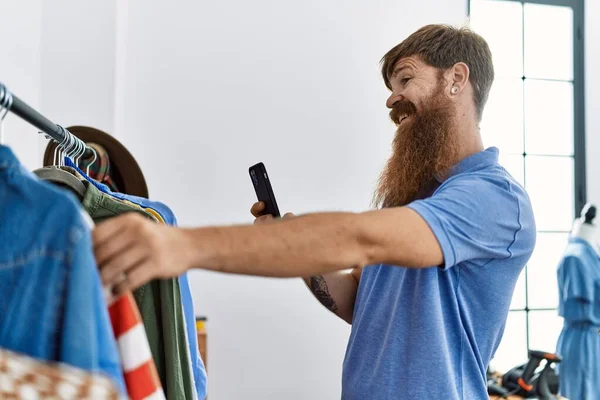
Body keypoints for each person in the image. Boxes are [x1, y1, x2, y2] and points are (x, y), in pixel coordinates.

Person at [93, 24, 536, 399]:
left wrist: (180, 245)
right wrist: (291, 246)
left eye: (405, 80)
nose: (391, 99)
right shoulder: (413, 200)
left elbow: (361, 238)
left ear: (456, 78)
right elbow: (358, 304)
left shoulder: (494, 200)